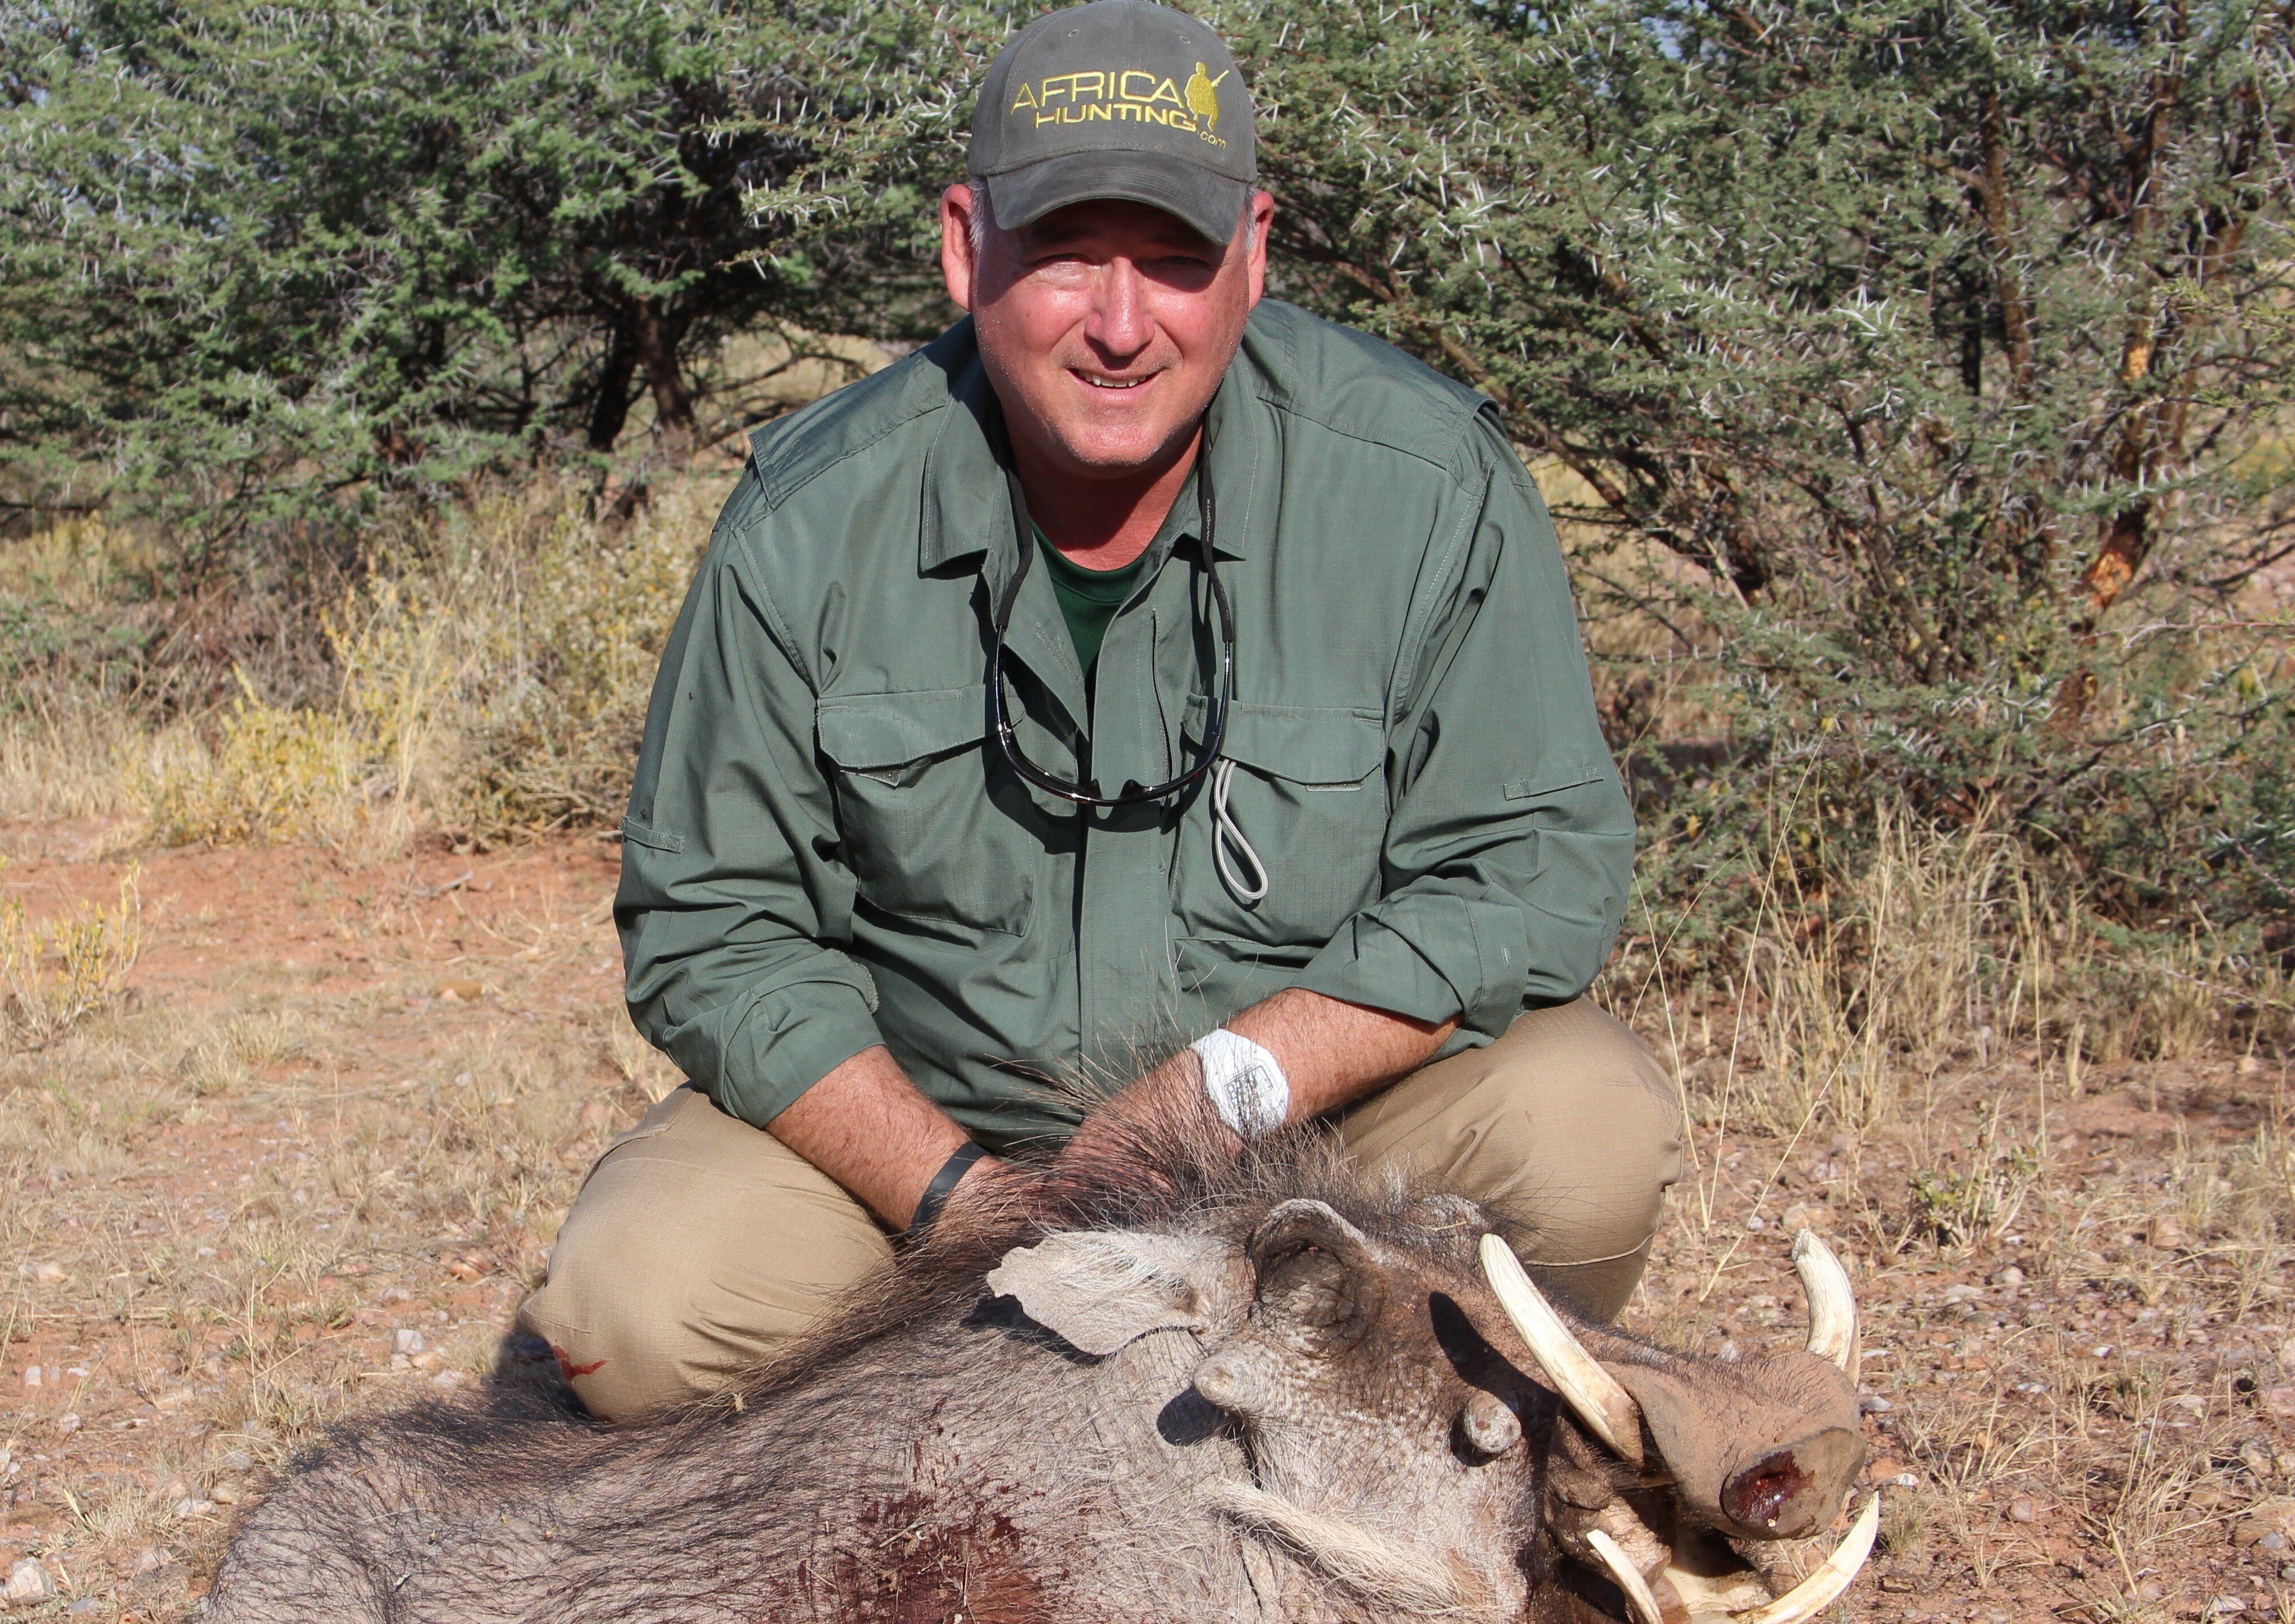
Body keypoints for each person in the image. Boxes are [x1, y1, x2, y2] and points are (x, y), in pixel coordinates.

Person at [523, 0, 1684, 1422]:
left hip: (1299, 1140)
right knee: (635, 1306)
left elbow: (1531, 865)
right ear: (964, 249)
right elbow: (714, 925)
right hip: (922, 1166)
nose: (1123, 326)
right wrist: (954, 1196)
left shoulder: (1426, 481)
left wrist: (1217, 1095)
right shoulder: (809, 517)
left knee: (1588, 1130)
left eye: (1177, 261)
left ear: (1254, 256)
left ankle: (1394, 1453)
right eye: (1068, 253)